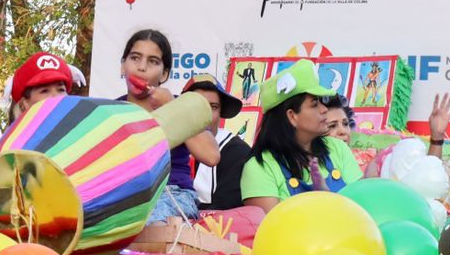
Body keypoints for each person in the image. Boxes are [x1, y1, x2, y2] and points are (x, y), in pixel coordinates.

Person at [119, 30, 220, 222]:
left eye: (153, 61)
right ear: (123, 66)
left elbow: (211, 156)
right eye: (135, 58)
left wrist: (172, 107)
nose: (141, 68)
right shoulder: (110, 111)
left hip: (173, 195)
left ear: (164, 73)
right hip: (122, 197)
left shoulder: (181, 105)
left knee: (145, 221)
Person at [241, 59, 362, 213]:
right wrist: (320, 201)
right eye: (314, 104)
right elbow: (270, 230)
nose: (324, 109)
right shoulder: (260, 167)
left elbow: (362, 210)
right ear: (292, 116)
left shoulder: (337, 148)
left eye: (321, 102)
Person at [182, 73, 249, 211]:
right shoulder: (165, 145)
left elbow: (227, 210)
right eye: (197, 106)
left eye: (213, 107)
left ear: (220, 113)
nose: (205, 114)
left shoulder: (236, 151)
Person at [4, 51, 77, 127]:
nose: (56, 97)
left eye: (61, 90)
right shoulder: (19, 139)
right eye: (44, 91)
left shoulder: (82, 134)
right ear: (25, 103)